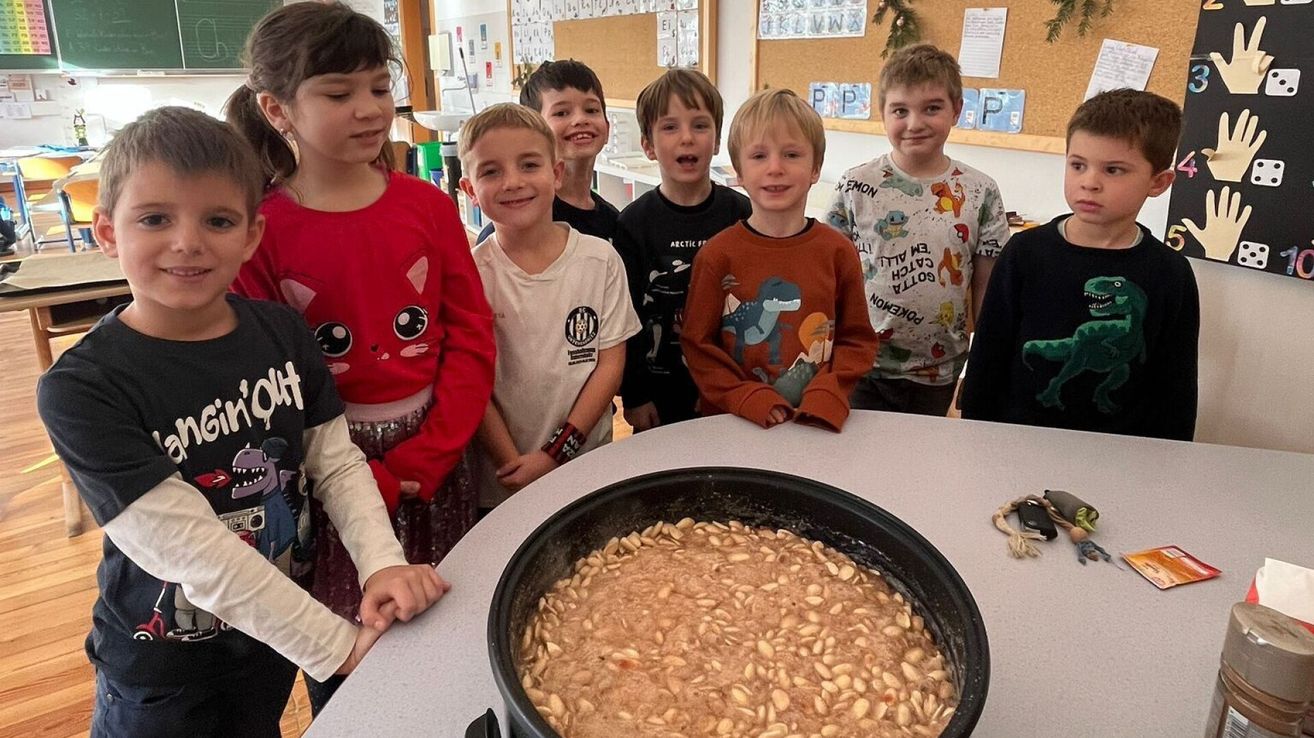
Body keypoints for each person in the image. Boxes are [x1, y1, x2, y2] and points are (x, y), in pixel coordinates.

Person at [36, 106, 448, 738]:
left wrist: (383, 564)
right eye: (154, 219)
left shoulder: (282, 331)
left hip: (269, 635)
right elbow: (193, 553)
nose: (187, 242)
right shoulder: (83, 388)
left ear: (252, 235)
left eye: (218, 220)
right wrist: (338, 647)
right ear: (107, 232)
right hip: (164, 669)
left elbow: (335, 464)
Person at [226, 0, 495, 712]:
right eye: (339, 93)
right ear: (277, 110)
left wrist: (430, 454)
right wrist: (347, 470)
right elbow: (267, 380)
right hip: (327, 468)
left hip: (437, 453)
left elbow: (469, 336)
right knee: (352, 648)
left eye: (379, 87)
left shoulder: (427, 207)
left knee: (452, 622)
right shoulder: (262, 230)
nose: (369, 108)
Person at [960, 89, 1199, 441]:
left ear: (1158, 182)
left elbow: (1176, 384)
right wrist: (973, 434)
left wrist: (1170, 459)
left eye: (1113, 169)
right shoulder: (1025, 251)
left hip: (1122, 452)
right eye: (1077, 165)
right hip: (1016, 439)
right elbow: (989, 352)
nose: (1089, 182)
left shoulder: (1170, 273)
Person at [459, 104, 640, 508]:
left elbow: (609, 367)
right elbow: (471, 381)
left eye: (529, 165)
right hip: (501, 480)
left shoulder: (601, 260)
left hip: (587, 466)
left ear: (556, 173)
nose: (513, 182)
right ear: (469, 189)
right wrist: (514, 464)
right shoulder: (469, 274)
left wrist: (554, 455)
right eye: (491, 171)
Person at [825, 44, 1010, 417]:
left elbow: (988, 289)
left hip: (939, 370)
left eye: (932, 108)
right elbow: (827, 273)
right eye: (900, 110)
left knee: (920, 464)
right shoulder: (855, 185)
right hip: (862, 365)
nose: (914, 123)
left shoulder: (980, 191)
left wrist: (984, 367)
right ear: (883, 114)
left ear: (956, 110)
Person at [681, 89, 878, 432]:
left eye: (791, 154)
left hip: (815, 421)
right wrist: (743, 396)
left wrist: (829, 391)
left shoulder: (838, 252)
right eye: (759, 156)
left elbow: (857, 339)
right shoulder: (716, 256)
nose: (775, 168)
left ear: (815, 168)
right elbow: (698, 346)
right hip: (734, 424)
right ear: (738, 171)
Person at [613, 69, 753, 432]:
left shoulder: (742, 214)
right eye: (670, 127)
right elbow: (625, 317)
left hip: (731, 388)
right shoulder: (632, 224)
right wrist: (636, 395)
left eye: (700, 125)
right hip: (659, 393)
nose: (687, 139)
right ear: (648, 144)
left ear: (718, 139)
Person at [476, 59, 619, 244]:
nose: (580, 120)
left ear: (607, 128)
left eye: (591, 110)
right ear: (533, 132)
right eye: (561, 113)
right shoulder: (517, 222)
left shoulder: (613, 221)